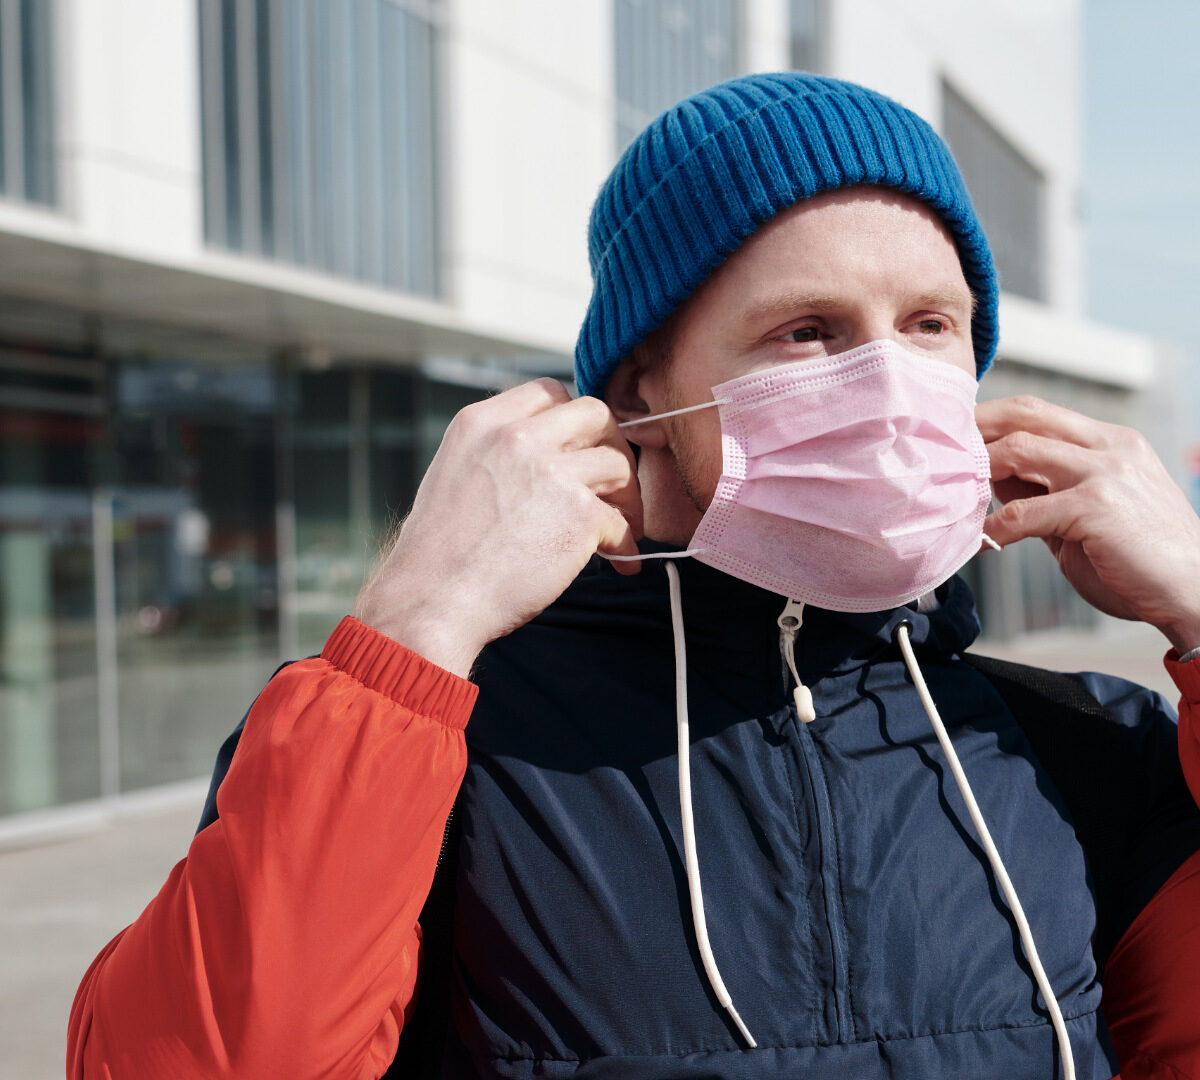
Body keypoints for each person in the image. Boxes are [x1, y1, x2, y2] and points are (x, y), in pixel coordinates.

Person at [68, 73, 1200, 1080]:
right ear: (646, 388)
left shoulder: (1087, 747)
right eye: (808, 330)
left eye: (930, 323)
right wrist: (417, 625)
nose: (888, 380)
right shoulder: (432, 745)